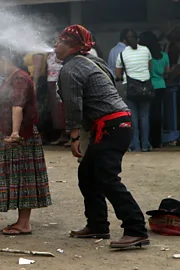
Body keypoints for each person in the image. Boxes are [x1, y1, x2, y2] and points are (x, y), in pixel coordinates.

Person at [55, 25, 149, 248]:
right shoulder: (93, 61)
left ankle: (136, 230)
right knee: (87, 173)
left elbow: (73, 106)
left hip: (112, 126)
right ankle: (97, 225)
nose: (54, 46)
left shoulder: (70, 69)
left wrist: (74, 136)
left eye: (59, 41)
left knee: (106, 177)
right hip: (116, 124)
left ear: (71, 46)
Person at [0, 44, 51, 235]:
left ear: (3, 60)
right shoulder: (11, 78)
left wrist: (14, 133)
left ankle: (23, 223)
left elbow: (17, 106)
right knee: (19, 179)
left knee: (23, 179)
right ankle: (21, 222)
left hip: (20, 138)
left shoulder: (20, 78)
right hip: (12, 136)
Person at [116, 29, 153, 152]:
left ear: (125, 41)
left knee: (133, 118)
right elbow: (149, 67)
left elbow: (118, 75)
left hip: (130, 88)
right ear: (137, 39)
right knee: (145, 117)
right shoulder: (146, 50)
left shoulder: (122, 54)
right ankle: (146, 145)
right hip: (146, 87)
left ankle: (134, 145)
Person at [139, 31, 171, 148]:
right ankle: (158, 140)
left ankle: (147, 140)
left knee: (146, 115)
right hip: (161, 86)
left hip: (148, 86)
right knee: (158, 114)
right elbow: (167, 73)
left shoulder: (146, 57)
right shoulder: (164, 56)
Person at [46, 50, 68, 145]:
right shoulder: (51, 53)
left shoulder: (64, 54)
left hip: (60, 81)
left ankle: (71, 136)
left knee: (64, 109)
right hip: (51, 81)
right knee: (56, 111)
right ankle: (62, 135)